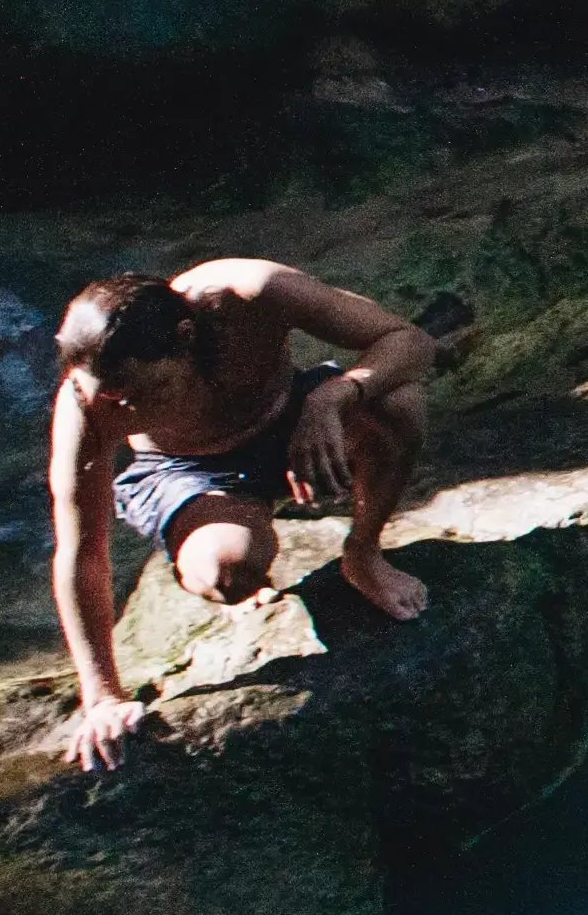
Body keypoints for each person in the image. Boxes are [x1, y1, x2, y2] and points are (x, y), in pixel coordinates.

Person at [43, 260, 437, 771]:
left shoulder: (250, 295)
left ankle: (362, 554)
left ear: (184, 338)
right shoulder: (88, 404)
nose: (125, 409)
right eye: (111, 397)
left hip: (290, 418)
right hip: (190, 472)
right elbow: (81, 550)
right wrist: (101, 697)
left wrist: (334, 397)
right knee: (229, 572)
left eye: (143, 392)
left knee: (399, 402)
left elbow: (409, 340)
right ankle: (220, 543)